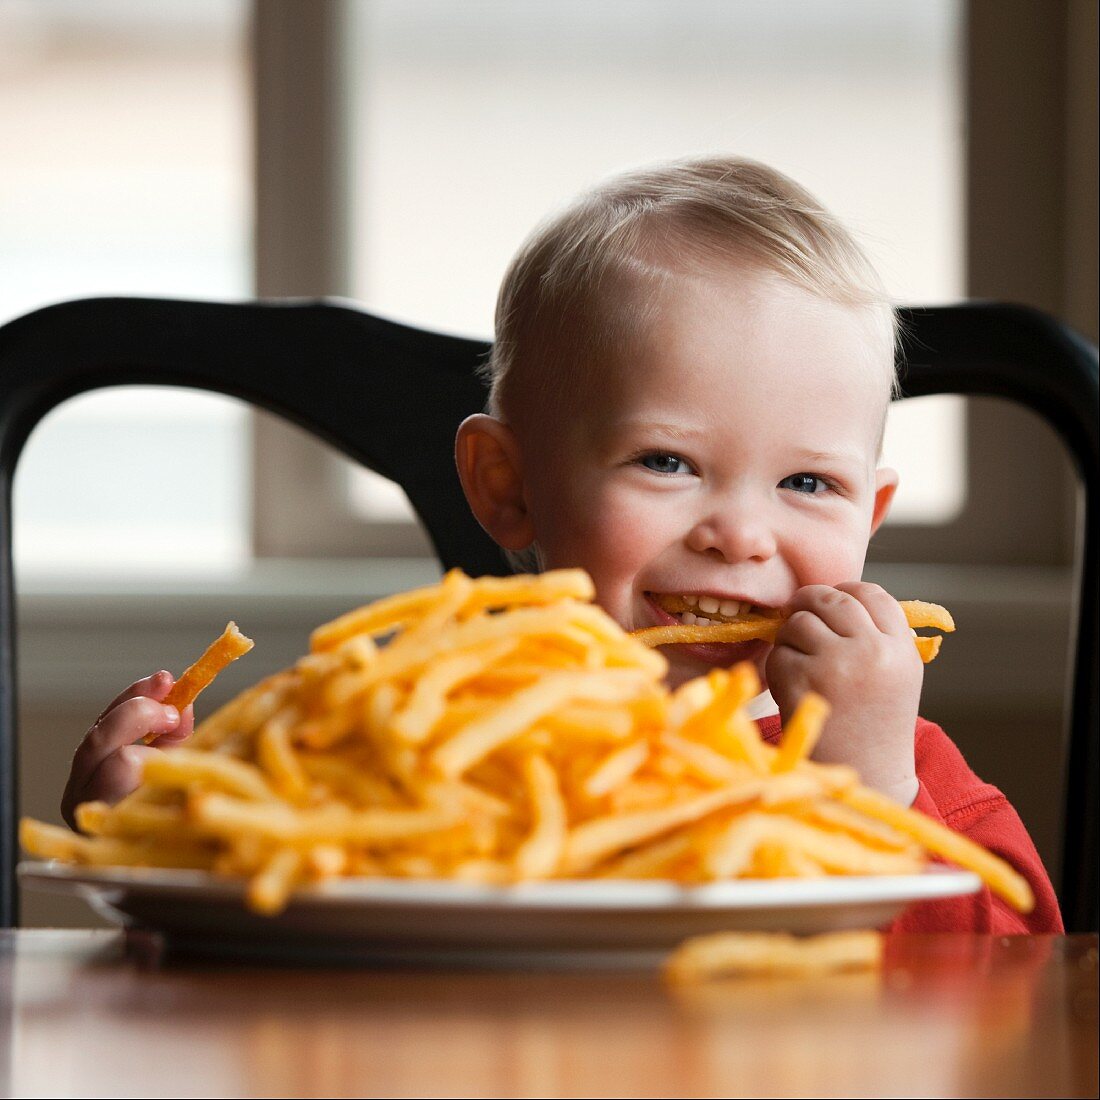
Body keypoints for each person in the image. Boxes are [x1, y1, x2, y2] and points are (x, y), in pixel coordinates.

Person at [63, 156, 1061, 933]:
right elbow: (270, 968)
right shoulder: (416, 744)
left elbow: (1013, 1002)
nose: (742, 533)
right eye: (666, 461)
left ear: (869, 517)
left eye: (809, 483)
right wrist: (154, 839)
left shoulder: (904, 773)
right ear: (507, 486)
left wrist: (869, 800)